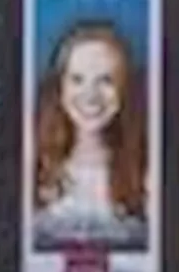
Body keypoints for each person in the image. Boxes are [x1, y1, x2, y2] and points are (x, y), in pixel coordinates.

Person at [33, 22, 147, 249]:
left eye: (106, 80)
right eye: (77, 79)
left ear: (124, 88)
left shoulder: (144, 170)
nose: (91, 95)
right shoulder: (34, 165)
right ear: (60, 86)